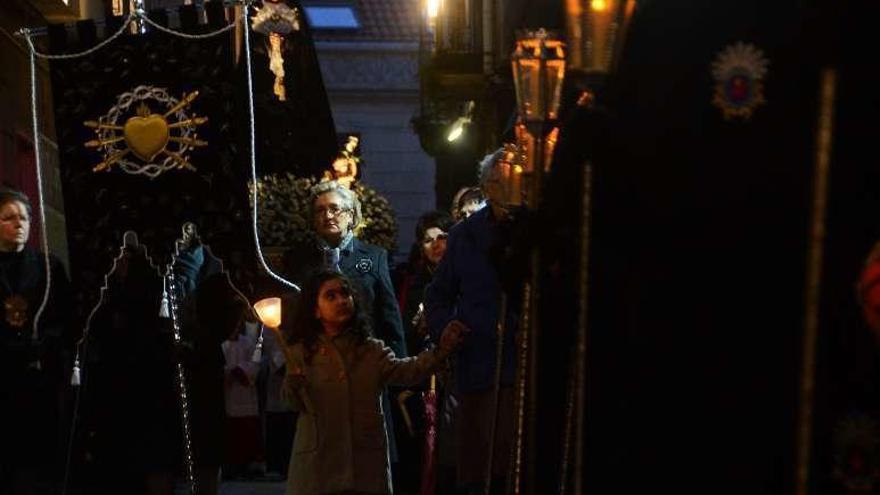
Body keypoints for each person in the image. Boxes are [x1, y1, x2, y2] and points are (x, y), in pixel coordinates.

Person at [280, 270, 467, 495]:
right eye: (331, 296)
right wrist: (293, 384)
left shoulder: (371, 350)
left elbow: (408, 371)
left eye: (345, 293)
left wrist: (441, 351)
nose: (341, 300)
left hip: (365, 465)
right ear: (315, 310)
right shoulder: (301, 353)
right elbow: (292, 403)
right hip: (320, 464)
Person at [281, 180, 407, 465]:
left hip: (364, 366)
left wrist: (399, 370)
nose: (328, 215)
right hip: (319, 368)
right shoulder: (300, 260)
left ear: (351, 215)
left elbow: (389, 316)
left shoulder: (373, 258)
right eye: (320, 211)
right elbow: (291, 316)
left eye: (335, 209)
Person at [425, 150, 519, 495]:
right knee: (478, 467)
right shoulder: (465, 235)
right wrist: (445, 326)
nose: (505, 188)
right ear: (486, 187)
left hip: (520, 364)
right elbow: (438, 296)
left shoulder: (530, 227)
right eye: (497, 181)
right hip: (477, 362)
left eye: (512, 179)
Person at [0, 187, 72, 494]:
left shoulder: (48, 267)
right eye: (9, 218)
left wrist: (45, 342)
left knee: (38, 462)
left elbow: (66, 319)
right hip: (1, 377)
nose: (20, 224)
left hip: (37, 376)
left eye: (25, 218)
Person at [391, 210, 455, 492]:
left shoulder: (460, 276)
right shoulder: (411, 283)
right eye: (429, 240)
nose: (437, 244)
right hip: (421, 384)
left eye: (443, 237)